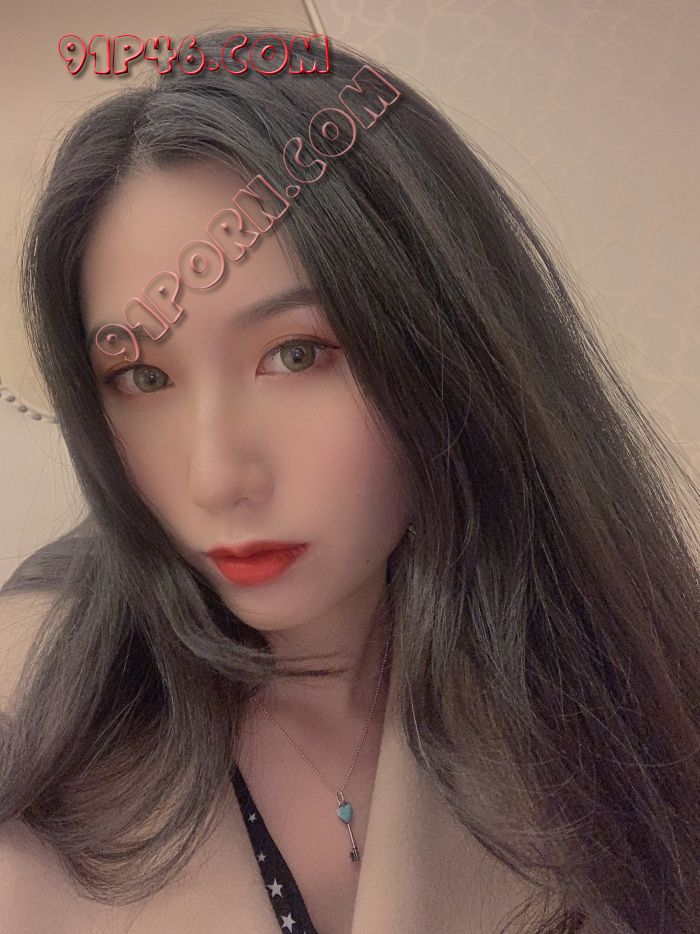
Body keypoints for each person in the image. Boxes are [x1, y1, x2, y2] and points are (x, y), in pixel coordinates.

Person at [0, 26, 698, 934]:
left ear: (451, 348)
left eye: (297, 354)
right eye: (141, 376)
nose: (216, 478)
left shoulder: (623, 681)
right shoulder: (33, 716)